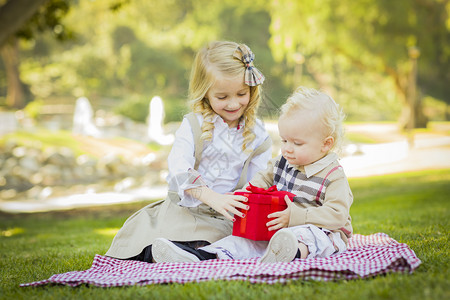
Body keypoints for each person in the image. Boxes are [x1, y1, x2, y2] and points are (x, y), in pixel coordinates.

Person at [105, 41, 272, 263]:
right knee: (175, 234)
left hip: (227, 214)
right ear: (205, 94)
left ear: (251, 89)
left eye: (241, 93)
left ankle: (189, 254)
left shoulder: (258, 134)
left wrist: (246, 198)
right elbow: (178, 169)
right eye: (222, 97)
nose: (234, 104)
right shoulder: (194, 124)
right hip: (189, 210)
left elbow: (259, 180)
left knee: (234, 241)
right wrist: (211, 197)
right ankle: (171, 251)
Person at [152, 86, 353, 263]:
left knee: (308, 237)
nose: (287, 149)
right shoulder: (284, 162)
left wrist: (297, 216)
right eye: (284, 141)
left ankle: (291, 253)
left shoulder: (332, 175)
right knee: (243, 241)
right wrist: (247, 192)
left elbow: (337, 215)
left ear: (326, 144)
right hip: (280, 226)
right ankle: (201, 255)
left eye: (297, 143)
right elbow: (264, 177)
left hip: (323, 230)